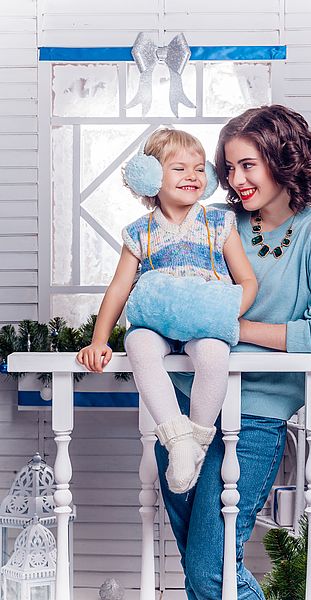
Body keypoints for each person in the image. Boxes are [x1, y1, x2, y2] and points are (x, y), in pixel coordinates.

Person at [156, 105, 311, 600]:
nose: (236, 178)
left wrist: (233, 325)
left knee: (210, 574)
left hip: (254, 418)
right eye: (228, 167)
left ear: (283, 159)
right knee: (203, 569)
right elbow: (165, 273)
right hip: (182, 414)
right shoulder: (218, 223)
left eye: (248, 164)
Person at [76, 128, 258, 495]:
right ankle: (178, 440)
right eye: (179, 168)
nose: (192, 176)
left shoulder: (219, 224)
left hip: (203, 320)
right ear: (151, 177)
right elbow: (119, 288)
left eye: (198, 168)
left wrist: (222, 311)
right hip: (156, 322)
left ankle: (198, 440)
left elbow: (247, 281)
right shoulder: (139, 233)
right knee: (140, 345)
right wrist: (98, 340)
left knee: (213, 352)